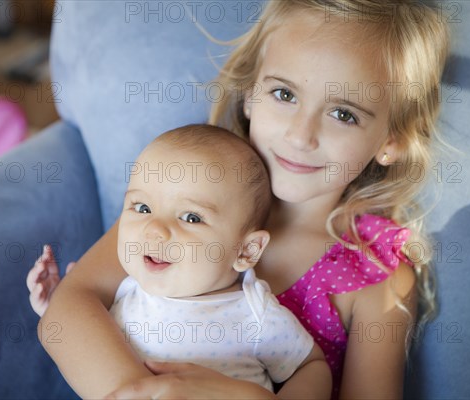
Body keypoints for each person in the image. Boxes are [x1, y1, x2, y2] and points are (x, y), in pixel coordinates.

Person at [35, 1, 450, 398]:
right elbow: (68, 309)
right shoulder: (185, 187)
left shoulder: (373, 272)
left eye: (343, 114)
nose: (300, 135)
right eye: (285, 94)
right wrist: (149, 394)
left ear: (391, 141)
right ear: (251, 92)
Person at [28, 124, 331, 398]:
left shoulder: (254, 315)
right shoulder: (124, 293)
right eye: (142, 207)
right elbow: (79, 332)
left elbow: (312, 366)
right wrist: (54, 302)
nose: (155, 229)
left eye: (191, 217)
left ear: (246, 251)